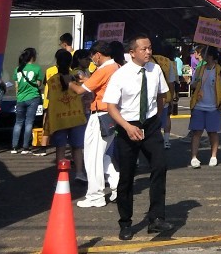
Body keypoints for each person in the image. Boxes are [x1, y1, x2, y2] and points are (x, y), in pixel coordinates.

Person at [102, 34, 170, 240]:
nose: (148, 52)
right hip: (126, 127)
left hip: (149, 126)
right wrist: (127, 126)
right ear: (132, 53)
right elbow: (110, 106)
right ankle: (125, 223)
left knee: (160, 166)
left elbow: (162, 95)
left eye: (150, 48)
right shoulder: (120, 75)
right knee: (127, 177)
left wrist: (155, 119)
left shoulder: (155, 69)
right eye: (144, 49)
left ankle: (156, 218)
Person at [77, 41, 122, 210]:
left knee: (92, 156)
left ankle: (95, 196)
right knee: (101, 155)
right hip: (112, 114)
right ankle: (117, 184)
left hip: (100, 114)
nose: (92, 60)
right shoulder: (116, 67)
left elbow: (81, 90)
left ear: (98, 54)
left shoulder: (104, 69)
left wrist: (68, 82)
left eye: (92, 56)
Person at [44, 48, 89, 181]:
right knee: (77, 147)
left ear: (57, 63)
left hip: (59, 119)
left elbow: (50, 100)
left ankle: (61, 175)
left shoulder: (52, 80)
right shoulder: (76, 77)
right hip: (76, 116)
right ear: (70, 62)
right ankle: (79, 173)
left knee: (61, 148)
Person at [188, 46, 221, 168]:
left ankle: (213, 156)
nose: (201, 56)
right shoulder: (200, 69)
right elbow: (193, 84)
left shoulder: (220, 70)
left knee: (213, 133)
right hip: (198, 106)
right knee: (196, 132)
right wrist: (195, 82)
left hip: (213, 107)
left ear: (210, 56)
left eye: (204, 53)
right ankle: (194, 157)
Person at [11, 47, 44, 154]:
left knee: (18, 122)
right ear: (33, 57)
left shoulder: (18, 69)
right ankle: (25, 147)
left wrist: (18, 96)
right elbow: (38, 84)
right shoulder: (36, 68)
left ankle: (14, 147)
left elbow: (16, 86)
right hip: (33, 97)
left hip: (20, 98)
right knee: (29, 122)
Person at [152, 45, 175, 148]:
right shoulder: (168, 62)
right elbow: (171, 82)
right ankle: (166, 141)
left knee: (152, 120)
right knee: (166, 117)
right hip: (165, 95)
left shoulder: (149, 60)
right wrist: (172, 95)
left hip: (151, 96)